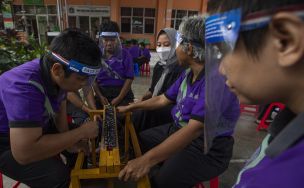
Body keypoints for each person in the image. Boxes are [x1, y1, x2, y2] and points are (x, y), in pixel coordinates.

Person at [117, 16, 240, 188]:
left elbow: (193, 130)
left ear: (188, 48)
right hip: (179, 129)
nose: (175, 50)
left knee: (163, 181)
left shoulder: (216, 80)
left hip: (206, 148)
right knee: (141, 140)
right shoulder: (188, 74)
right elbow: (162, 99)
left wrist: (147, 160)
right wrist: (132, 106)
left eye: (176, 44)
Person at [0, 28, 101, 188]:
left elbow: (60, 104)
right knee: (55, 176)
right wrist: (79, 133)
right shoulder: (24, 87)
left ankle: (76, 180)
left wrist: (71, 140)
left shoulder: (55, 74)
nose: (83, 84)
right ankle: (65, 182)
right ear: (57, 70)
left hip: (36, 126)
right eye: (81, 79)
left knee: (79, 143)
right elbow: (24, 153)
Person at [207, 0, 304, 187]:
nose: (220, 69)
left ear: (286, 40)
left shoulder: (288, 178)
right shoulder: (289, 125)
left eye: (224, 49)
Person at [132, 28, 185, 132]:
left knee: (142, 113)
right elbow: (152, 90)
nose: (162, 49)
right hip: (157, 101)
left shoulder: (180, 68)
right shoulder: (159, 66)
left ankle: (134, 143)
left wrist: (142, 105)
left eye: (166, 45)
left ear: (176, 45)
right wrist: (140, 100)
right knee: (133, 112)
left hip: (171, 106)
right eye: (159, 45)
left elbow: (167, 99)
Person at [93, 21, 134, 107]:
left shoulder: (126, 54)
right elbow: (93, 79)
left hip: (123, 94)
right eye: (106, 40)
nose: (109, 43)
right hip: (102, 93)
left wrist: (119, 98)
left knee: (121, 116)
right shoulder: (96, 55)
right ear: (101, 39)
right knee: (99, 116)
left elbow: (129, 79)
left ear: (118, 39)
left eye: (112, 40)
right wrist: (100, 97)